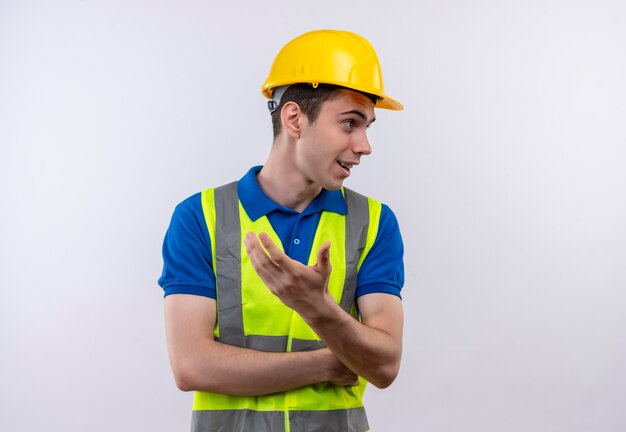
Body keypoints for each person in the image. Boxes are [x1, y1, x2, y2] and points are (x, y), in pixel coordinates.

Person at [159, 29, 405, 432]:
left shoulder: (374, 223)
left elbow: (383, 365)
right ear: (294, 118)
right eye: (350, 123)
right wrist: (329, 362)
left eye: (367, 127)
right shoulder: (199, 217)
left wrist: (317, 307)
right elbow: (191, 366)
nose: (364, 145)